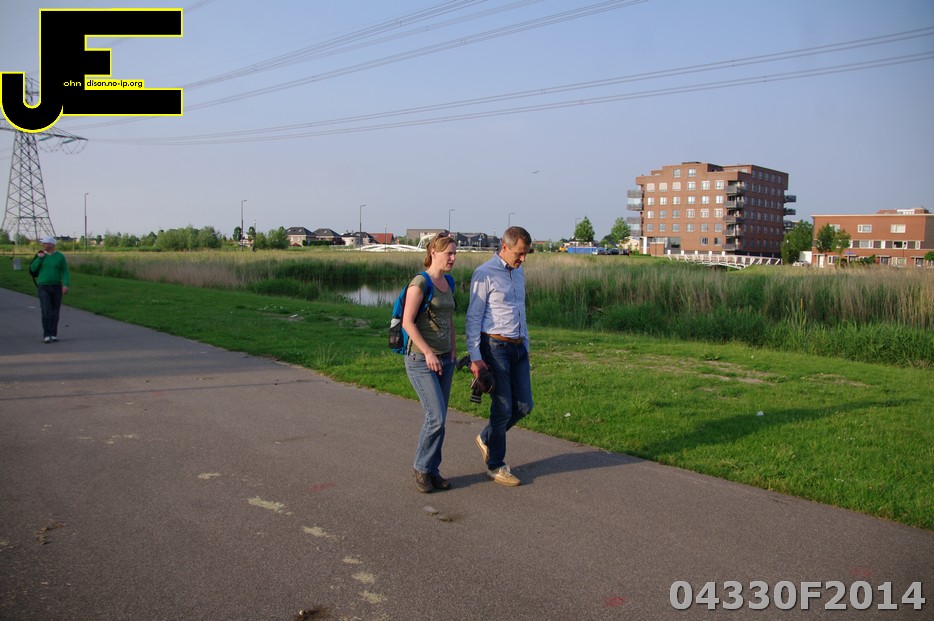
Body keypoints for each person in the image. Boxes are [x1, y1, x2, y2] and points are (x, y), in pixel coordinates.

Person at [465, 226, 533, 486]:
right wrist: (475, 357)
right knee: (503, 407)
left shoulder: (519, 272)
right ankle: (496, 465)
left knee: (524, 406)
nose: (523, 258)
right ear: (505, 247)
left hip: (518, 347)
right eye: (519, 253)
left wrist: (526, 343)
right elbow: (473, 318)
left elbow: (520, 310)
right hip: (495, 347)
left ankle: (486, 437)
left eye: (526, 254)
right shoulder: (484, 273)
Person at [402, 234, 458, 493]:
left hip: (445, 358)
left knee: (441, 418)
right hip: (421, 359)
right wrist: (428, 353)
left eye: (455, 254)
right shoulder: (420, 283)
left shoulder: (449, 282)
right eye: (449, 254)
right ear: (434, 253)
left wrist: (453, 349)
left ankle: (433, 471)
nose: (453, 258)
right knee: (435, 417)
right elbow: (407, 323)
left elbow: (449, 319)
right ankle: (421, 468)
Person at [30, 236, 71, 344]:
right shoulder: (40, 255)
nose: (43, 245)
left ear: (52, 245)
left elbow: (65, 271)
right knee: (46, 311)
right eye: (43, 243)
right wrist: (39, 258)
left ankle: (53, 333)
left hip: (56, 286)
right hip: (43, 286)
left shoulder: (60, 257)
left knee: (55, 312)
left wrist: (66, 284)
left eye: (45, 243)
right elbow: (33, 268)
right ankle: (47, 334)